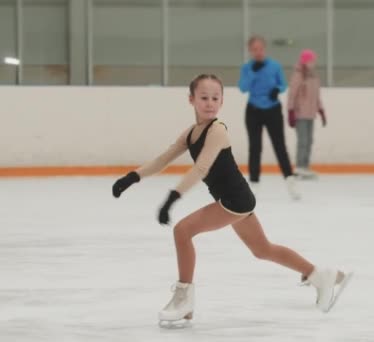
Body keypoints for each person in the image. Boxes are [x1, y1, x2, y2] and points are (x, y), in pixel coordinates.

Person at [111, 74, 352, 326]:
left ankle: (184, 300)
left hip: (233, 201)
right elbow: (163, 159)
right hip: (237, 199)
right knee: (263, 250)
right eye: (204, 98)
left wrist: (172, 198)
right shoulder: (192, 133)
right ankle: (319, 274)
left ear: (222, 102)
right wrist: (131, 178)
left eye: (215, 98)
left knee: (182, 231)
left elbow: (201, 168)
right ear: (191, 99)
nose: (210, 103)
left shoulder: (217, 130)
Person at [238, 35, 299, 199]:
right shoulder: (247, 68)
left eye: (261, 49)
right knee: (255, 147)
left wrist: (277, 89)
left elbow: (283, 84)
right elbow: (242, 88)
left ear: (265, 49)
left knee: (280, 146)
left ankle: (290, 181)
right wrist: (252, 73)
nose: (258, 52)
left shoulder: (275, 66)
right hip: (254, 110)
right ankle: (254, 183)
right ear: (250, 51)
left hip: (272, 110)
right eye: (254, 49)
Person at [287, 49, 326, 180]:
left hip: (310, 114)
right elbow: (292, 94)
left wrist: (321, 110)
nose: (313, 63)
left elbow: (316, 96)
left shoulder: (313, 76)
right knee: (303, 141)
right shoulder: (298, 75)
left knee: (309, 141)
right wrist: (290, 111)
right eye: (311, 60)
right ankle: (299, 167)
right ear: (305, 61)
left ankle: (305, 166)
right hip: (300, 114)